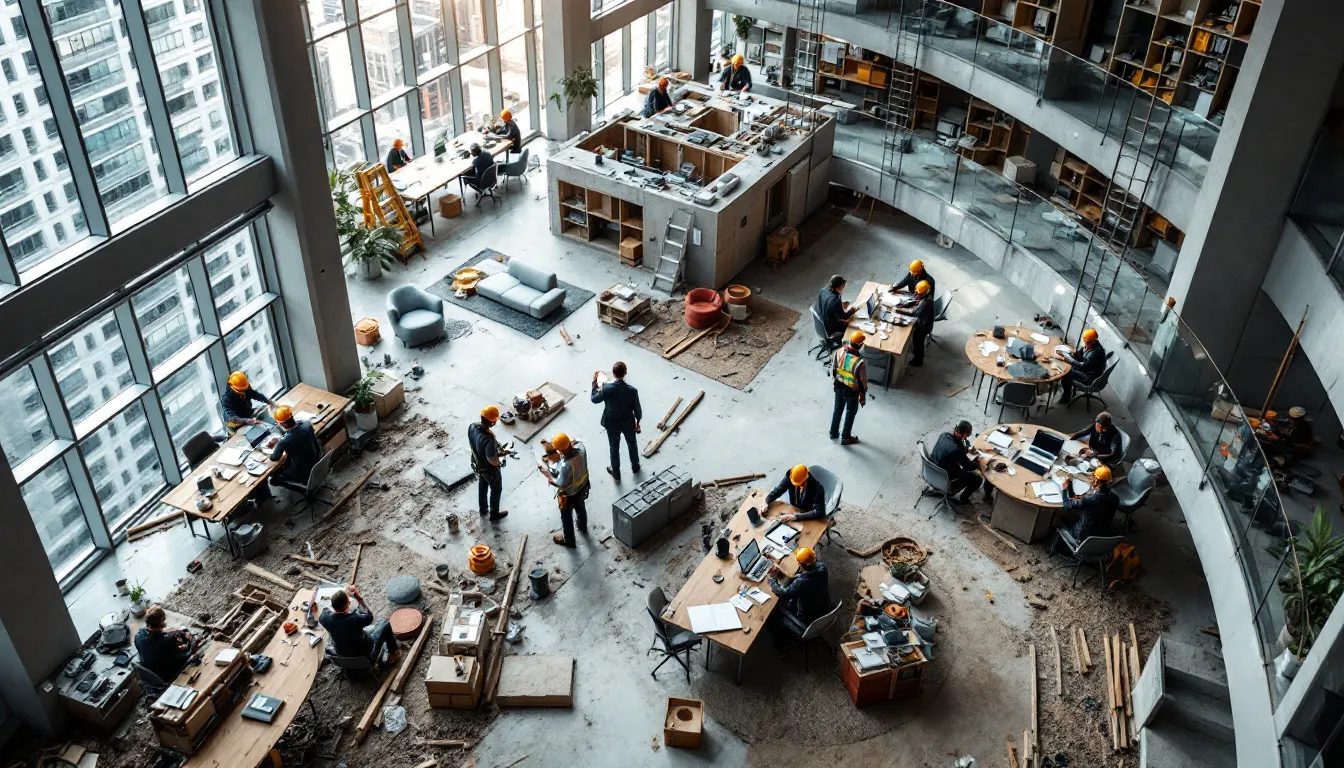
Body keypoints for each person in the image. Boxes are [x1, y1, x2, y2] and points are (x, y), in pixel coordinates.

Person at [318, 587, 400, 666]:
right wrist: (358, 597)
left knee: (367, 630)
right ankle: (393, 653)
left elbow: (323, 607)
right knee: (386, 624)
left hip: (344, 657)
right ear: (348, 605)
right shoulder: (355, 619)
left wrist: (337, 597)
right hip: (367, 657)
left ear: (333, 606)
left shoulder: (325, 619)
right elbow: (369, 616)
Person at [590, 362, 642, 482]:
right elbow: (638, 410)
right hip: (628, 422)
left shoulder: (606, 388)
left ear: (613, 374)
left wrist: (594, 383)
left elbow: (594, 399)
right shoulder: (632, 391)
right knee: (632, 443)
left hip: (612, 423)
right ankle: (635, 466)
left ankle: (616, 473)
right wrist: (638, 422)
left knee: (614, 447)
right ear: (625, 373)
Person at [767, 546, 830, 642]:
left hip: (806, 617)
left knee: (776, 611)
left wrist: (771, 580)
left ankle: (779, 639)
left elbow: (782, 592)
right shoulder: (822, 567)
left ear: (801, 564)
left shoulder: (801, 583)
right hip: (823, 605)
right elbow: (808, 575)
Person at [539, 433, 589, 548]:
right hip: (582, 486)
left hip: (569, 494)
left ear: (560, 451)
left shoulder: (565, 465)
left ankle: (569, 539)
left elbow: (560, 484)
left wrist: (547, 474)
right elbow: (575, 443)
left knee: (566, 515)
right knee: (580, 507)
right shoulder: (581, 448)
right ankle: (582, 526)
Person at [931, 420, 988, 504]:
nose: (967, 437)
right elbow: (969, 467)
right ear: (962, 433)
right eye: (967, 435)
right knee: (977, 479)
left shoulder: (944, 435)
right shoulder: (956, 451)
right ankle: (963, 499)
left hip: (933, 470)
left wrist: (965, 448)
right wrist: (979, 462)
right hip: (945, 477)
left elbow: (958, 446)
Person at [468, 406, 508, 522]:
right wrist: (498, 463)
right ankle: (494, 513)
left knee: (483, 484)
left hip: (477, 463)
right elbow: (492, 459)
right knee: (496, 488)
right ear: (493, 422)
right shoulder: (489, 439)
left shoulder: (472, 426)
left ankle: (483, 508)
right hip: (488, 468)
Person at [135, 605, 192, 683]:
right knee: (190, 648)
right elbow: (181, 650)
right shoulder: (168, 640)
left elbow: (153, 635)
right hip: (167, 673)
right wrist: (187, 643)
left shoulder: (138, 636)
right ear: (161, 622)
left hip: (153, 671)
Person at [1062, 465, 1119, 541]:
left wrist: (1064, 490)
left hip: (1083, 535)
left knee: (1062, 516)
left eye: (1093, 477)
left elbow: (1067, 505)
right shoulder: (1115, 498)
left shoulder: (1089, 499)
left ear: (1096, 480)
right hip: (1102, 534)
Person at [268, 406, 321, 486]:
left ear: (284, 424)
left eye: (278, 423)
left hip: (301, 473)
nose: (278, 425)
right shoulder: (307, 424)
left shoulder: (284, 441)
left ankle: (303, 488)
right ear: (292, 417)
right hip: (316, 461)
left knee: (273, 479)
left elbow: (274, 458)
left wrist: (279, 444)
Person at [831, 331, 868, 446]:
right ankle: (846, 437)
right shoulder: (859, 362)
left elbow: (833, 369)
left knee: (838, 409)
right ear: (861, 345)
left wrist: (834, 382)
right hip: (852, 391)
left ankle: (833, 432)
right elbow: (862, 380)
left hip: (839, 387)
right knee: (850, 412)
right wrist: (862, 395)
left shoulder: (839, 352)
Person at [1059, 328, 1107, 403]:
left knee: (1066, 373)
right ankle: (1068, 385)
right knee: (1070, 365)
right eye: (1085, 341)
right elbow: (1083, 358)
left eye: (1087, 342)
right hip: (1089, 370)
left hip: (1090, 378)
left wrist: (1071, 361)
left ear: (1093, 341)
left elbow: (1083, 366)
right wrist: (1076, 354)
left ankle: (1066, 396)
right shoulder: (1093, 345)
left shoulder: (1095, 353)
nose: (1085, 344)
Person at [895, 280, 935, 367]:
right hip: (924, 321)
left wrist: (898, 310)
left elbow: (912, 312)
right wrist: (904, 306)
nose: (916, 295)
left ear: (924, 294)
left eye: (918, 294)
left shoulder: (925, 303)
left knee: (918, 342)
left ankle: (918, 361)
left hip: (923, 327)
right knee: (917, 342)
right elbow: (916, 303)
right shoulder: (926, 297)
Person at [816, 274, 858, 340]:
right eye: (842, 286)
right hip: (831, 327)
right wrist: (852, 310)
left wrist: (841, 304)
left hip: (824, 317)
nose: (843, 287)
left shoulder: (823, 290)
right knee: (854, 322)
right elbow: (844, 317)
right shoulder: (834, 301)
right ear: (838, 287)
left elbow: (827, 304)